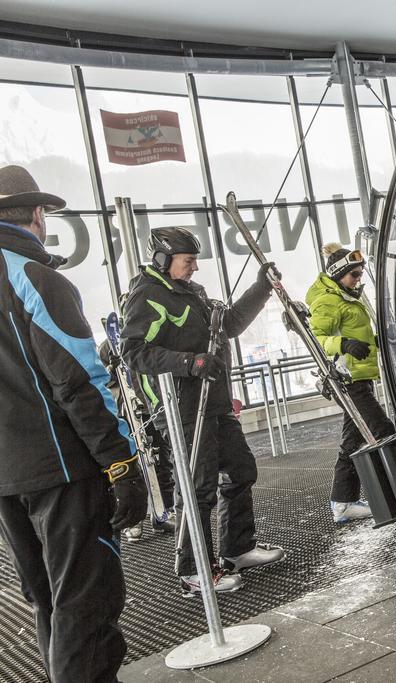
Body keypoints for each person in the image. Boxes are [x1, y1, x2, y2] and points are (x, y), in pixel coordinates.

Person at [0, 164, 148, 681]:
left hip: (7, 480)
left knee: (49, 604)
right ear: (38, 214)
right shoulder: (35, 277)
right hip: (63, 470)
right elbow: (80, 383)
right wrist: (124, 464)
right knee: (85, 606)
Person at [120, 227, 284, 595]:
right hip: (181, 408)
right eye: (188, 261)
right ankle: (193, 568)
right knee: (198, 487)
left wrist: (262, 288)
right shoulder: (148, 295)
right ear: (163, 260)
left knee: (241, 469)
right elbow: (133, 352)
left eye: (194, 261)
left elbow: (229, 325)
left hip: (214, 402)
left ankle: (237, 548)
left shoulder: (192, 293)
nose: (195, 267)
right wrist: (189, 362)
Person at [306, 243, 392, 524]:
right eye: (354, 274)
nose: (358, 279)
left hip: (361, 376)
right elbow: (315, 338)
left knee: (352, 441)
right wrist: (342, 343)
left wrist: (375, 343)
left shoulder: (347, 296)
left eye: (360, 274)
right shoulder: (328, 301)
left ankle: (342, 503)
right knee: (382, 431)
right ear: (338, 273)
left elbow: (358, 334)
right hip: (348, 379)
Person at [98, 338, 177, 541]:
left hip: (152, 409)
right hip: (127, 414)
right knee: (135, 468)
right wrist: (111, 368)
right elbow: (100, 381)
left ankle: (163, 512)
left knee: (162, 462)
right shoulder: (109, 345)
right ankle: (134, 520)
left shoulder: (146, 338)